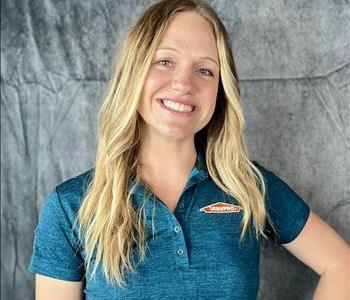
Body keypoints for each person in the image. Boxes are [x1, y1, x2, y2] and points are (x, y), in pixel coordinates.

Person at [28, 0, 349, 299]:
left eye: (205, 70)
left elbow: (341, 266)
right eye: (164, 61)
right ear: (133, 74)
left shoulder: (249, 185)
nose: (184, 83)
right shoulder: (71, 206)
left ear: (220, 92)